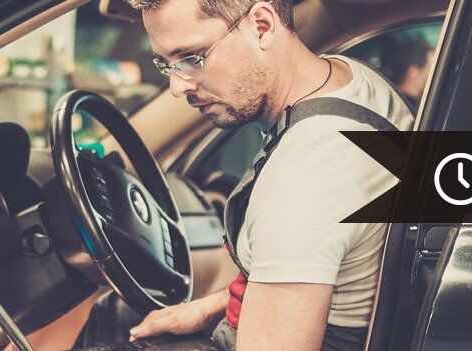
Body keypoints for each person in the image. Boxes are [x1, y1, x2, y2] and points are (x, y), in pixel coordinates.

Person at [124, 0, 414, 349]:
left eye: (191, 58)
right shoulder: (350, 78)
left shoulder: (304, 176)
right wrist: (210, 308)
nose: (176, 86)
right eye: (165, 64)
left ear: (262, 26)